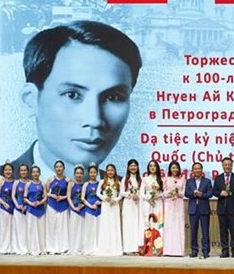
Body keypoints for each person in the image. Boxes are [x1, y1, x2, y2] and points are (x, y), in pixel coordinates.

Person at [11, 21, 142, 178]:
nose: (95, 120)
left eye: (113, 97)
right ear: (30, 100)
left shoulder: (137, 195)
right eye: (72, 94)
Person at [213, 157, 234, 258]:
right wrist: (220, 193)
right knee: (223, 231)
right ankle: (225, 250)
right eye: (225, 165)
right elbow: (214, 191)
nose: (227, 167)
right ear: (222, 166)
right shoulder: (218, 178)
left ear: (232, 166)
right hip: (222, 209)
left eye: (229, 165)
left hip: (233, 209)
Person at [185, 162, 213, 259]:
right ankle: (194, 250)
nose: (197, 170)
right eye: (195, 169)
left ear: (202, 170)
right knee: (193, 231)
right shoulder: (189, 182)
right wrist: (193, 194)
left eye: (199, 168)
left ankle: (206, 251)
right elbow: (186, 194)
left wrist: (201, 195)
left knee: (205, 231)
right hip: (193, 209)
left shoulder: (207, 181)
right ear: (192, 171)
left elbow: (210, 193)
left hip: (204, 209)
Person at [95, 163, 123, 255]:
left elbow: (121, 195)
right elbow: (98, 193)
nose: (110, 172)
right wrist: (105, 198)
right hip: (105, 205)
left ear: (114, 172)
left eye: (112, 170)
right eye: (108, 170)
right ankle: (105, 247)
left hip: (114, 205)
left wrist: (114, 200)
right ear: (106, 172)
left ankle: (115, 248)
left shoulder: (118, 182)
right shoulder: (102, 181)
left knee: (114, 224)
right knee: (106, 224)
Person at [139, 160, 164, 256]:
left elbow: (163, 192)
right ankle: (147, 248)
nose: (152, 167)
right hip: (148, 203)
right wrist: (149, 198)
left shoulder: (160, 179)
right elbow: (141, 193)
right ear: (148, 168)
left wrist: (158, 196)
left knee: (158, 224)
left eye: (154, 166)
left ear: (157, 168)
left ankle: (158, 248)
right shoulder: (145, 179)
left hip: (157, 203)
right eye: (151, 166)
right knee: (148, 224)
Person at [45, 161, 69, 254]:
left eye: (60, 167)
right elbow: (45, 192)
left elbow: (69, 194)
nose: (59, 168)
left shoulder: (68, 180)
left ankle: (63, 248)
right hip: (52, 205)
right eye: (57, 167)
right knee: (52, 226)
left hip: (63, 205)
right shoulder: (50, 179)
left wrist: (62, 197)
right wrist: (51, 195)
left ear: (63, 168)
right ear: (55, 168)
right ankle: (51, 248)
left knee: (62, 227)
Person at [163, 161, 186, 256]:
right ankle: (168, 250)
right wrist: (170, 192)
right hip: (169, 205)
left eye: (176, 167)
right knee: (169, 226)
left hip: (179, 204)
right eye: (173, 167)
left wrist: (177, 193)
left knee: (178, 226)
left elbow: (184, 193)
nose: (175, 169)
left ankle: (179, 251)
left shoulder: (183, 179)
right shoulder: (166, 179)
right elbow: (163, 194)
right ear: (170, 169)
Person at [120, 159, 142, 255]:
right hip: (128, 204)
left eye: (135, 166)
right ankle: (128, 249)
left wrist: (137, 196)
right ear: (128, 167)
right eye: (131, 166)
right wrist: (130, 195)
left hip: (137, 205)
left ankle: (135, 249)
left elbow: (141, 192)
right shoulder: (125, 179)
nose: (133, 167)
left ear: (137, 167)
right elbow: (121, 192)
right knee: (128, 226)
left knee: (136, 226)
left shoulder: (140, 179)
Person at [24, 166, 47, 255]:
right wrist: (31, 203)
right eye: (33, 172)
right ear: (31, 173)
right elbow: (25, 197)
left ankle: (41, 248)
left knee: (41, 229)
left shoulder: (43, 184)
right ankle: (32, 248)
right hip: (31, 209)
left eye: (37, 172)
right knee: (31, 229)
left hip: (40, 209)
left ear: (40, 173)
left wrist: (40, 202)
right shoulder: (28, 184)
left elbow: (45, 196)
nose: (35, 174)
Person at [81, 164, 101, 255]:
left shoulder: (100, 183)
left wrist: (100, 203)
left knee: (98, 229)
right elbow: (82, 198)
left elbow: (104, 196)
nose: (93, 174)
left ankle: (98, 247)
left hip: (99, 210)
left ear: (97, 173)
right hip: (89, 209)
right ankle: (89, 247)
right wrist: (90, 205)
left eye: (94, 172)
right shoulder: (86, 184)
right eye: (91, 172)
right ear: (88, 173)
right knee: (89, 229)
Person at [0, 163, 15, 254]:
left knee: (13, 228)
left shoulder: (15, 182)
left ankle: (12, 248)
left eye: (10, 170)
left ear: (13, 171)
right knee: (4, 228)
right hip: (4, 208)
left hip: (14, 207)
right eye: (6, 170)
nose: (8, 171)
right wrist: (4, 203)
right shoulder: (1, 182)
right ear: (3, 171)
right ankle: (4, 248)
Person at [66, 165, 86, 255]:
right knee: (74, 229)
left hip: (83, 209)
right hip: (74, 209)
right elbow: (68, 197)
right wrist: (73, 207)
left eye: (81, 173)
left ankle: (81, 248)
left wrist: (81, 206)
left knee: (82, 229)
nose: (79, 175)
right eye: (77, 173)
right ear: (74, 174)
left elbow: (86, 197)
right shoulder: (71, 184)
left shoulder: (85, 185)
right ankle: (73, 247)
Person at [11, 165, 30, 255]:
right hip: (18, 209)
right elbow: (13, 195)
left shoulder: (30, 182)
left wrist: (26, 205)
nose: (23, 172)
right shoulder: (16, 182)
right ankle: (18, 248)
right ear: (19, 172)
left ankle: (27, 248)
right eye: (21, 170)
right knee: (19, 229)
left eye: (25, 170)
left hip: (28, 209)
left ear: (27, 171)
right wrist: (17, 205)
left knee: (27, 229)